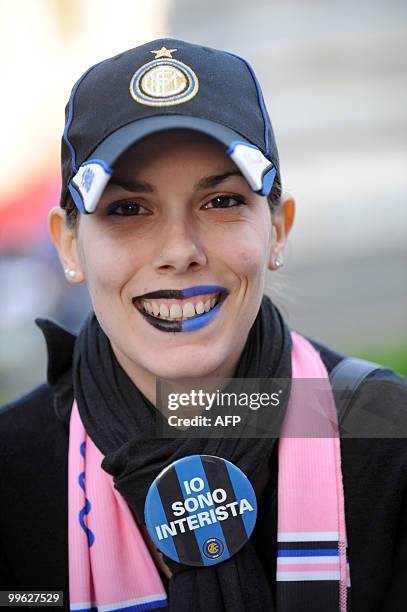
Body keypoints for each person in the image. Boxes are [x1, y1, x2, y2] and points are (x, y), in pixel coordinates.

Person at [0, 39, 406, 612]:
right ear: (68, 244)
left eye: (220, 201)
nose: (179, 250)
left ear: (278, 230)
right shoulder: (12, 468)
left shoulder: (386, 433)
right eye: (126, 208)